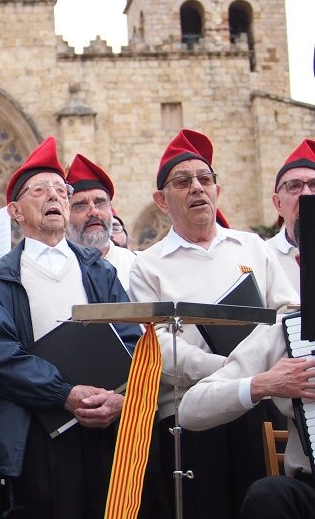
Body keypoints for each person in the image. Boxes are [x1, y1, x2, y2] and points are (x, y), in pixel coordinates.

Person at [129, 128, 299, 518]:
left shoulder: (253, 247)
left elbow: (289, 312)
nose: (197, 188)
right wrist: (228, 370)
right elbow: (156, 344)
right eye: (183, 181)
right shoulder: (147, 266)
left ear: (217, 190)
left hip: (262, 403)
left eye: (205, 179)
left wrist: (253, 373)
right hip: (190, 411)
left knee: (263, 499)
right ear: (161, 200)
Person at [0, 136, 144, 518]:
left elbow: (132, 339)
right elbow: (3, 359)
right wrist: (64, 394)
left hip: (105, 423)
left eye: (60, 190)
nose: (55, 196)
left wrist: (118, 398)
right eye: (40, 190)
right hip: (36, 431)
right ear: (15, 211)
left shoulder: (100, 270)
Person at [179, 216, 315, 519]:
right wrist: (263, 384)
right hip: (310, 489)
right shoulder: (282, 333)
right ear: (302, 262)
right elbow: (190, 409)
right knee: (268, 496)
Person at [65, 153, 137, 290]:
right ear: (66, 214)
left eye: (100, 203)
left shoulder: (136, 265)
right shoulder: (57, 267)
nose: (93, 212)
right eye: (80, 205)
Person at [266, 138, 315, 292]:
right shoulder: (262, 256)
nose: (307, 194)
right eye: (294, 186)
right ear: (278, 204)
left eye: (314, 185)